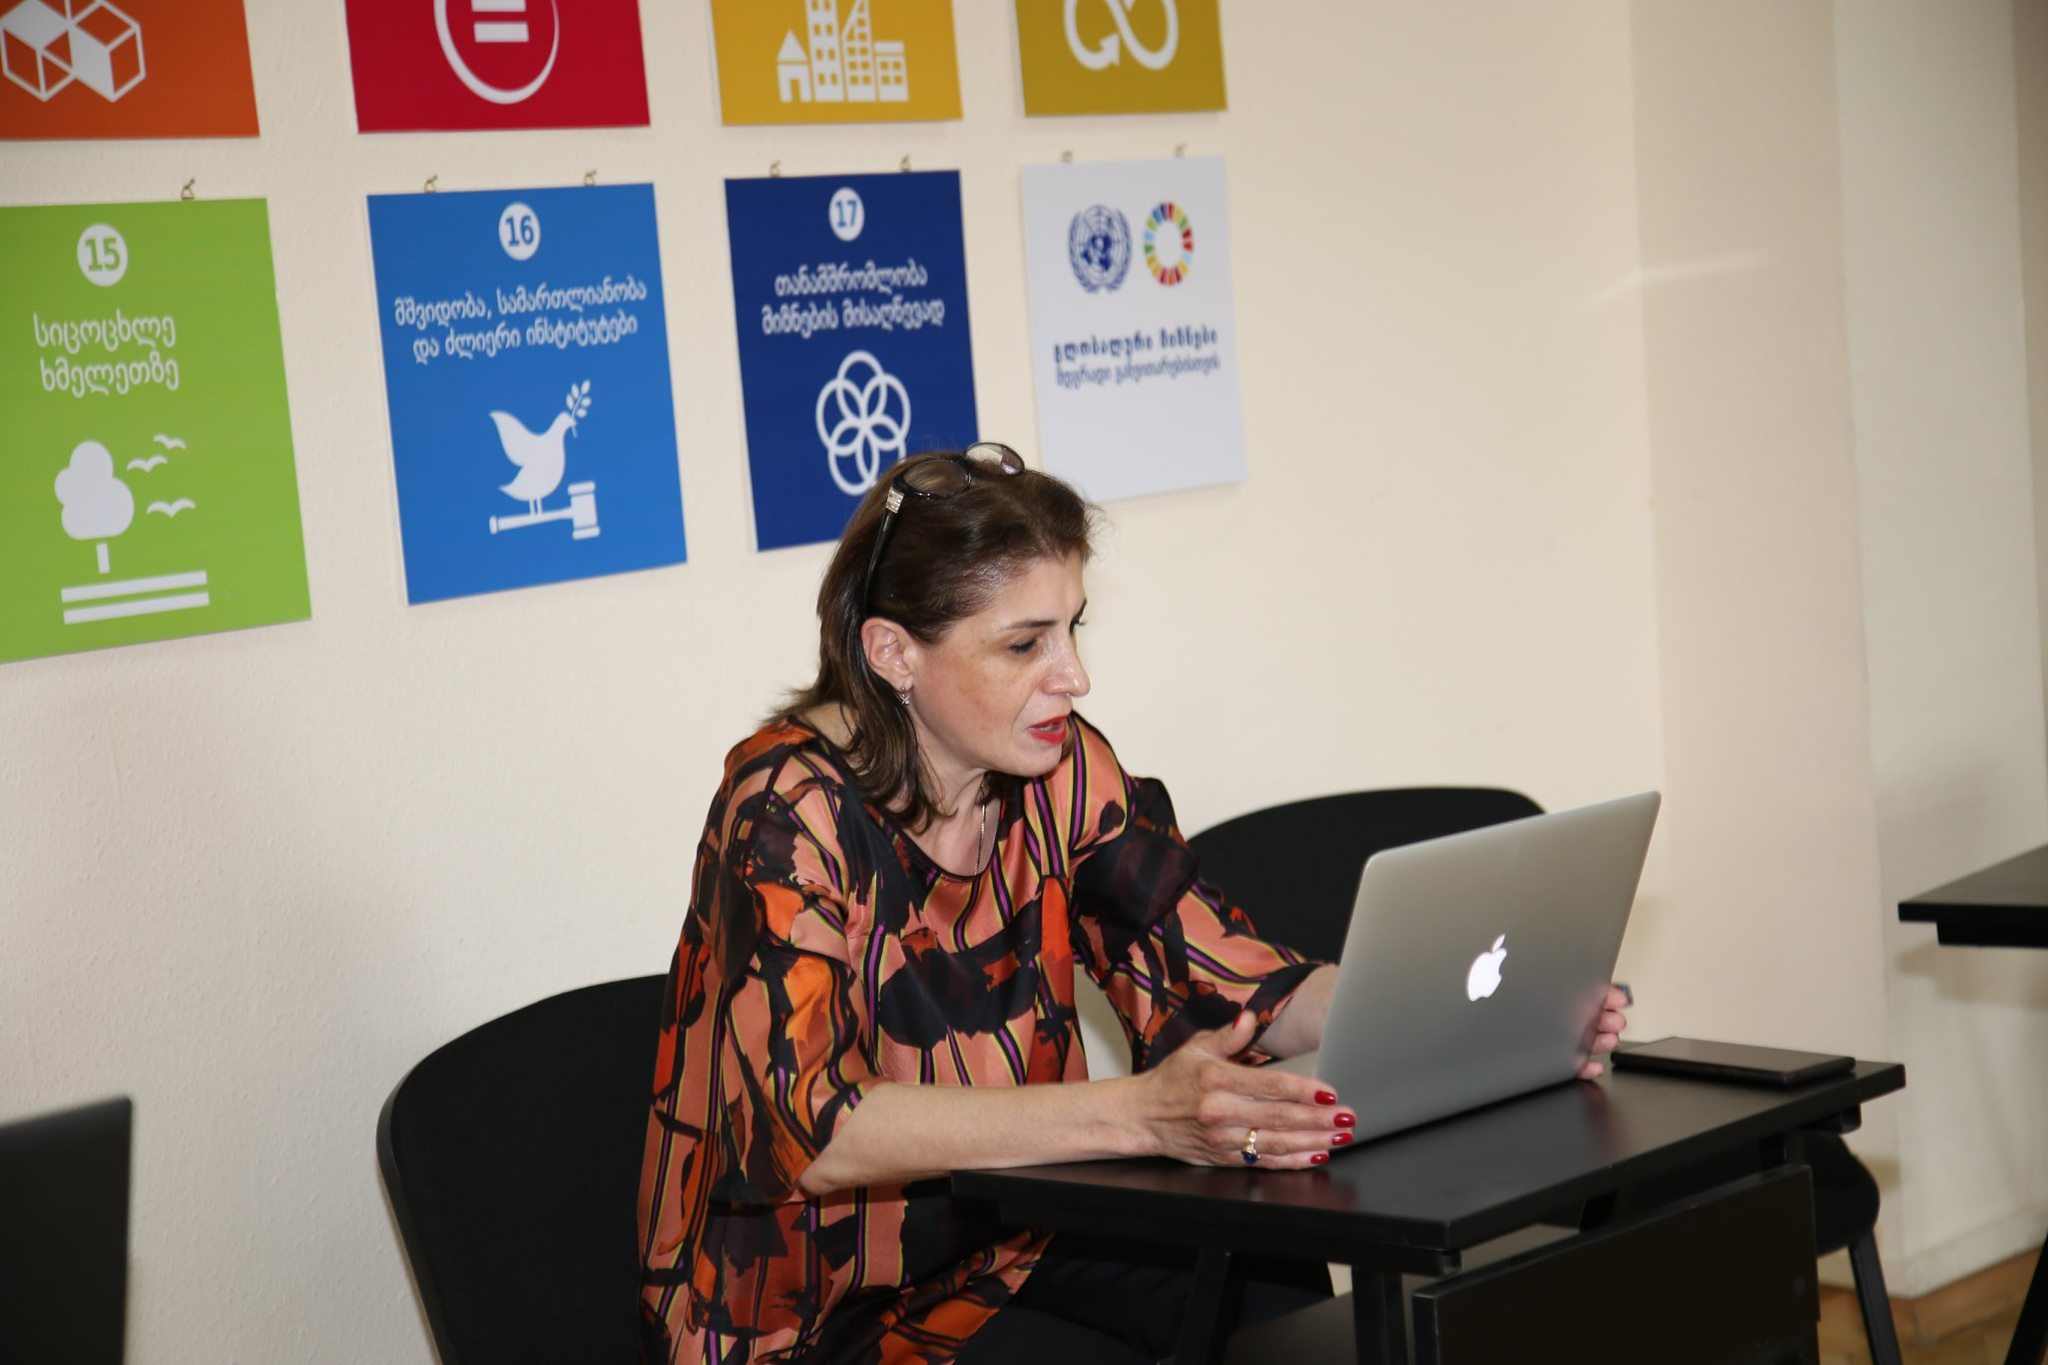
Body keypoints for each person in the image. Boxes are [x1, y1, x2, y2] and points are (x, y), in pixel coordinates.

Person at [637, 444, 1629, 1364]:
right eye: (1023, 643)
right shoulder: (784, 811)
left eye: (1070, 627)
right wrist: (1142, 1115)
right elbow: (817, 1133)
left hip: (1010, 1235)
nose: (1072, 676)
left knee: (1269, 1278)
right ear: (894, 654)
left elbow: (1228, 975)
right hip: (811, 1303)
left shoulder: (1059, 768)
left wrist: (1475, 1013)